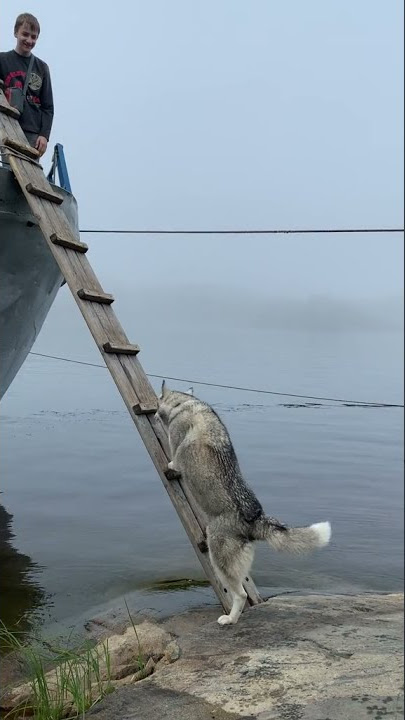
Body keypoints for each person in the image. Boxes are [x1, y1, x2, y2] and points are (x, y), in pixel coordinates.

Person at [0, 13, 54, 157]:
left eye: (33, 36)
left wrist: (44, 135)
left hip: (32, 133)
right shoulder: (2, 59)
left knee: (27, 177)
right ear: (15, 32)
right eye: (25, 34)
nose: (29, 40)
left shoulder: (42, 68)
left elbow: (48, 106)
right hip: (7, 126)